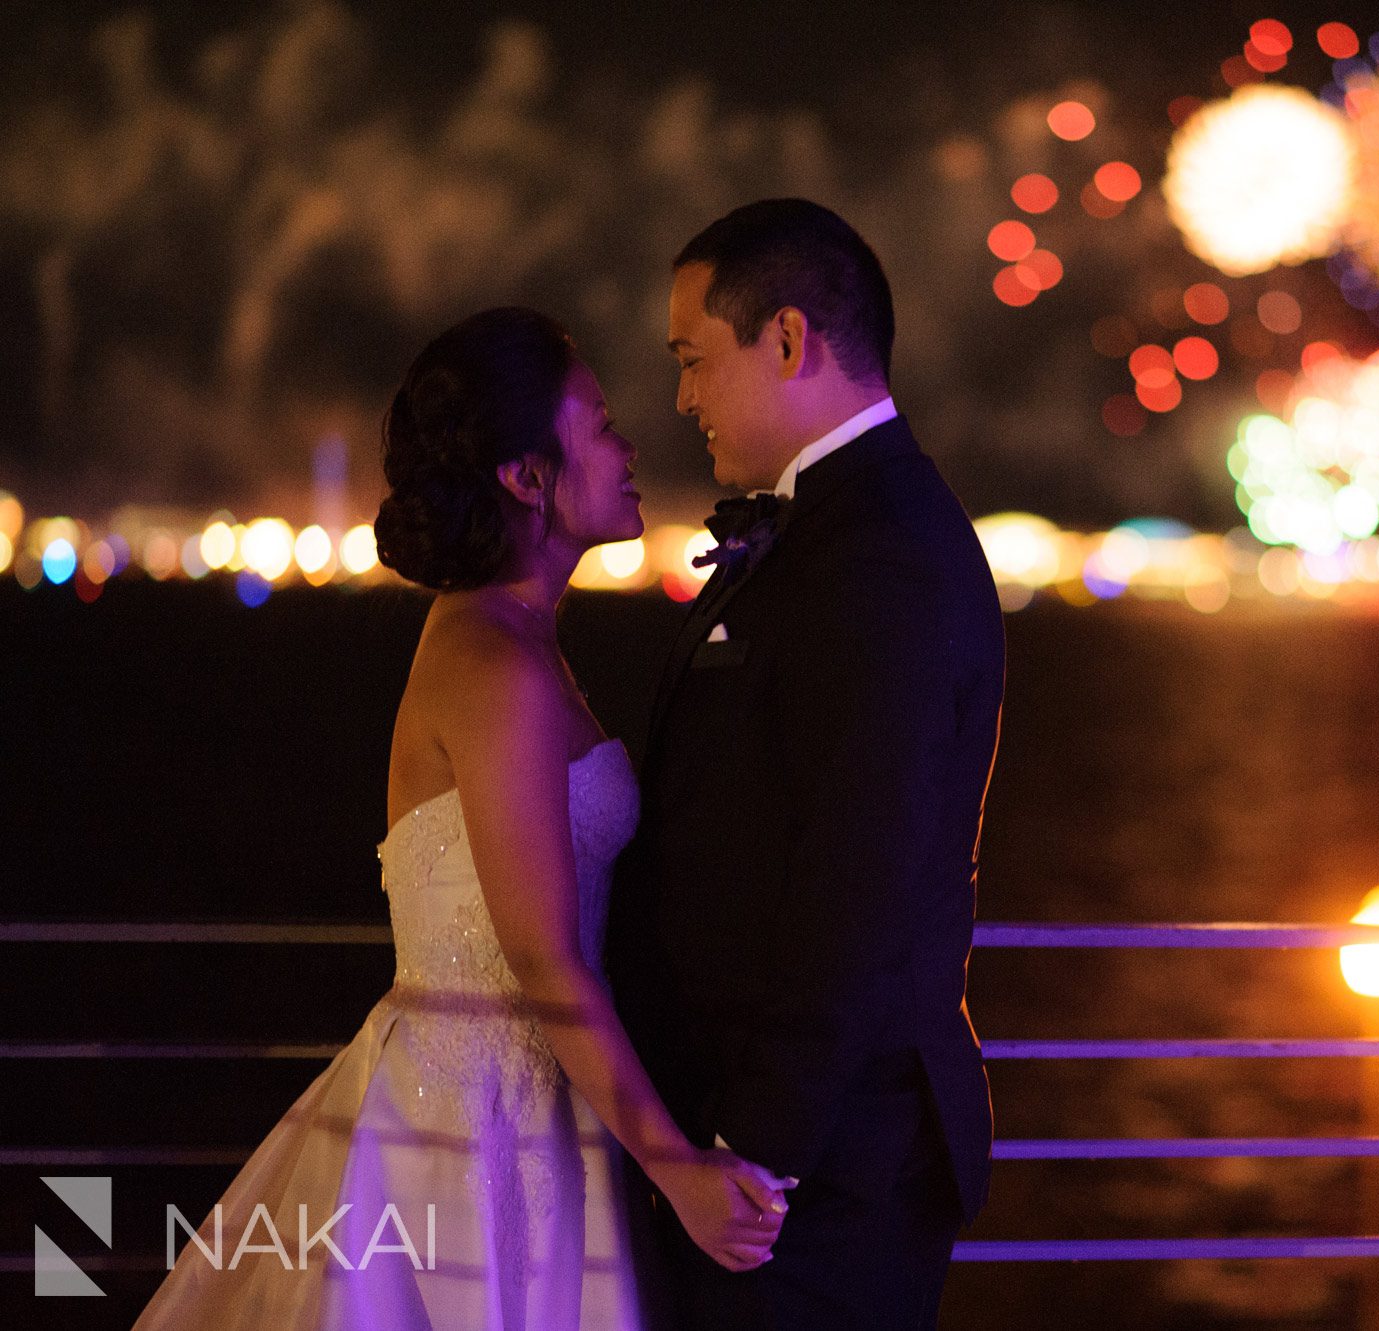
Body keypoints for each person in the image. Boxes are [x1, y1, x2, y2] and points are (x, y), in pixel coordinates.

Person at [135, 306, 791, 1330]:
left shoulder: (520, 641)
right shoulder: (493, 662)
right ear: (525, 476)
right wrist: (676, 1169)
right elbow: (541, 956)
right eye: (599, 424)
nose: (627, 448)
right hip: (472, 1121)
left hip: (534, 1097)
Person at [609, 199, 1005, 1328]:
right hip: (773, 1155)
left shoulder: (881, 554)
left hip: (817, 1176)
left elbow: (858, 874)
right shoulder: (831, 529)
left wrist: (750, 1155)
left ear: (785, 340)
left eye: (693, 359)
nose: (682, 397)